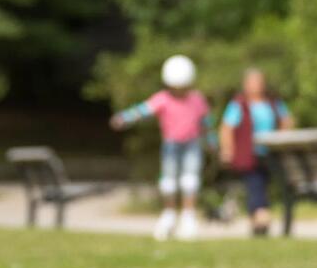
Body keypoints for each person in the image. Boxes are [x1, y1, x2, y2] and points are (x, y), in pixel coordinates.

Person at [110, 54, 213, 241]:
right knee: (169, 181)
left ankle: (188, 216)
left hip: (192, 144)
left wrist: (212, 142)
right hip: (171, 145)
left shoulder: (197, 99)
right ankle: (169, 214)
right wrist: (124, 118)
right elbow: (143, 110)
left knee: (190, 180)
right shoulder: (163, 98)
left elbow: (205, 122)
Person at [218, 68, 293, 237]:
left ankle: (258, 221)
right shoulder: (239, 104)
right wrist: (227, 149)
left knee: (262, 186)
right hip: (249, 153)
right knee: (255, 185)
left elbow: (287, 120)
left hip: (271, 153)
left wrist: (282, 138)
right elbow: (226, 128)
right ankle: (261, 216)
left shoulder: (273, 102)